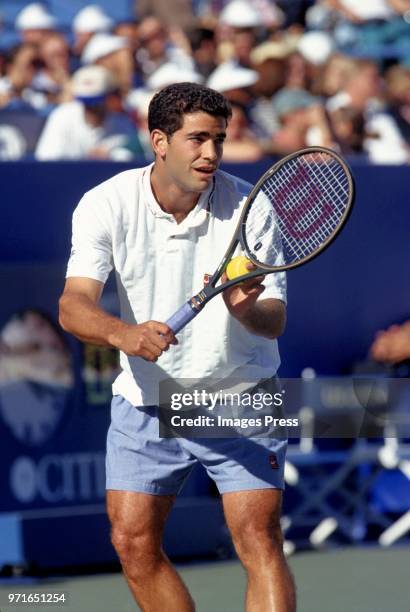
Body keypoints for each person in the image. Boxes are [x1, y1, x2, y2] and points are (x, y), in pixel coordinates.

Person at [59, 82, 296, 611]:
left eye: (218, 139)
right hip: (146, 398)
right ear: (159, 141)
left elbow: (273, 320)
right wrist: (126, 334)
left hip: (240, 394)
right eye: (196, 139)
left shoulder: (250, 208)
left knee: (258, 539)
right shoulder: (106, 204)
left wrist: (244, 309)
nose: (210, 153)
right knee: (132, 543)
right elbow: (72, 306)